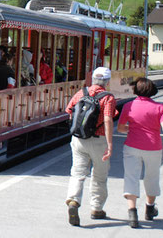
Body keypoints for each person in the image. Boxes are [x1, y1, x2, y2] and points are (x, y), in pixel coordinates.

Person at [117, 77, 163, 228]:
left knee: (131, 177)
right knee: (151, 177)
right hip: (153, 148)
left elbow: (120, 128)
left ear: (136, 90)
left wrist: (132, 129)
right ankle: (150, 208)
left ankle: (132, 212)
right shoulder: (160, 108)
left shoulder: (129, 106)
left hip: (131, 146)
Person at [64, 66, 116, 226]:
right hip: (98, 140)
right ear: (107, 82)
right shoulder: (108, 98)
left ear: (92, 79)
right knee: (99, 176)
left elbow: (69, 111)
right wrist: (110, 143)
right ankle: (96, 209)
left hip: (79, 140)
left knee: (77, 172)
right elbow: (108, 119)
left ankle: (73, 201)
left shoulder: (81, 93)